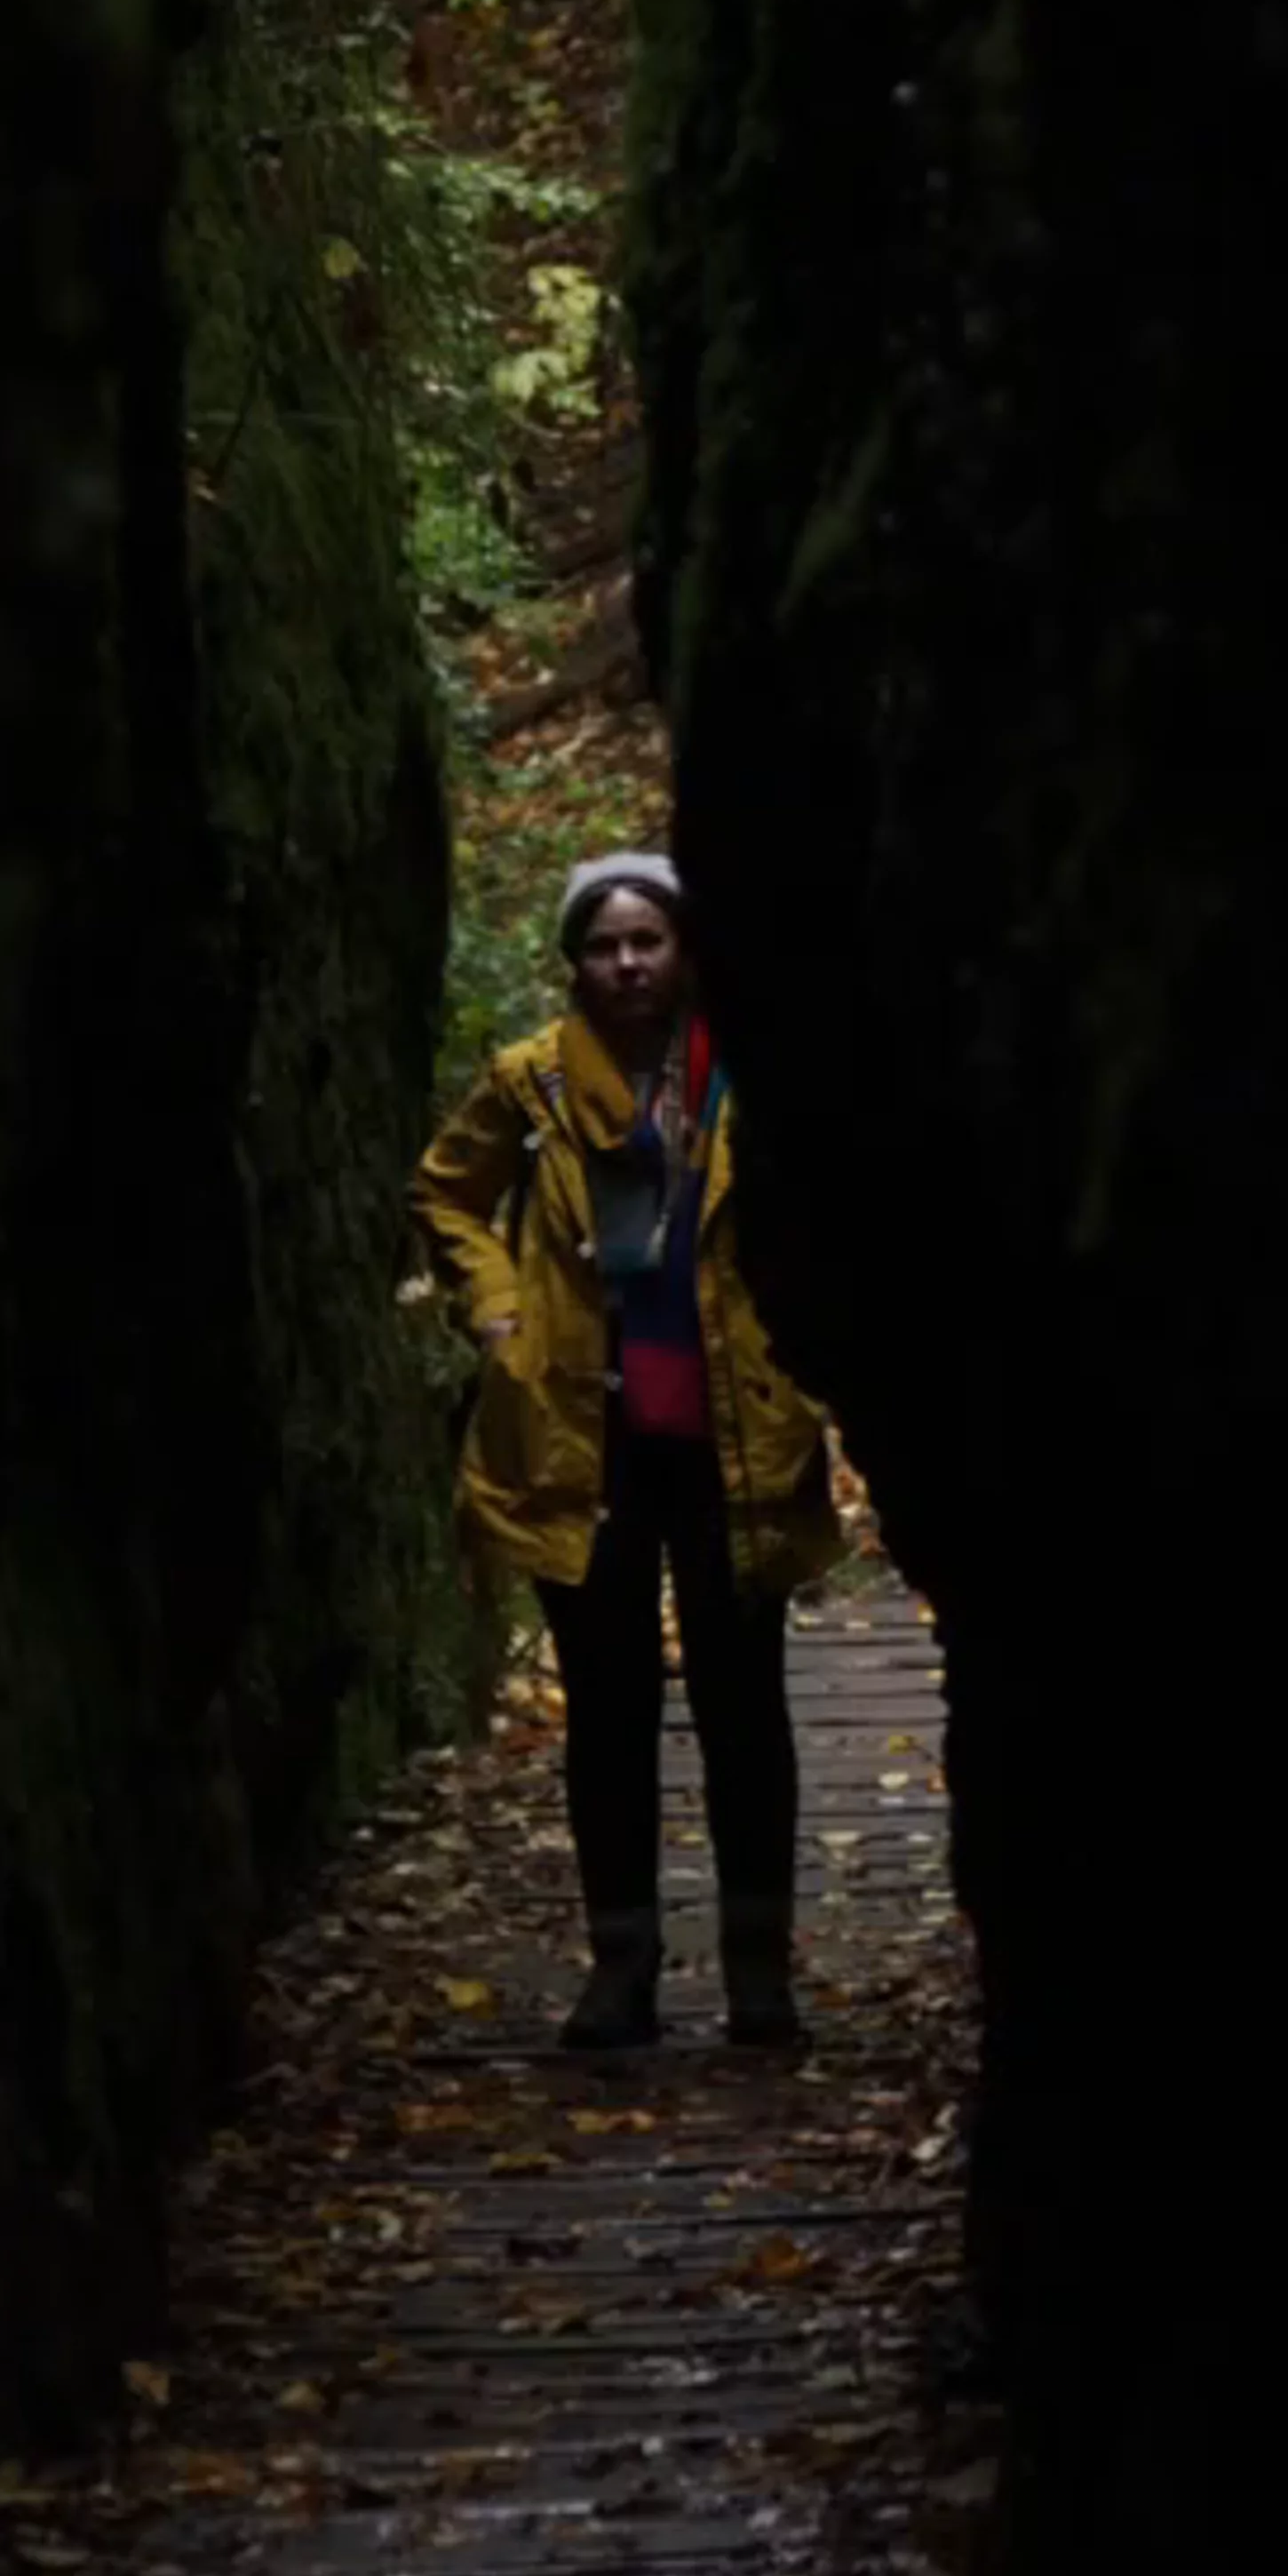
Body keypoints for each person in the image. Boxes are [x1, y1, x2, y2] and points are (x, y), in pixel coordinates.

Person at [411, 852, 842, 2048]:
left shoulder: (748, 1080)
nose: (626, 963)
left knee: (742, 1695)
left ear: (685, 950)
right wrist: (497, 1308)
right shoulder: (532, 1082)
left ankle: (760, 1973)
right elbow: (446, 1194)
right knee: (605, 1702)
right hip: (578, 1432)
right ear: (575, 963)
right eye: (603, 945)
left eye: (646, 939)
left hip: (734, 1432)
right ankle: (624, 1969)